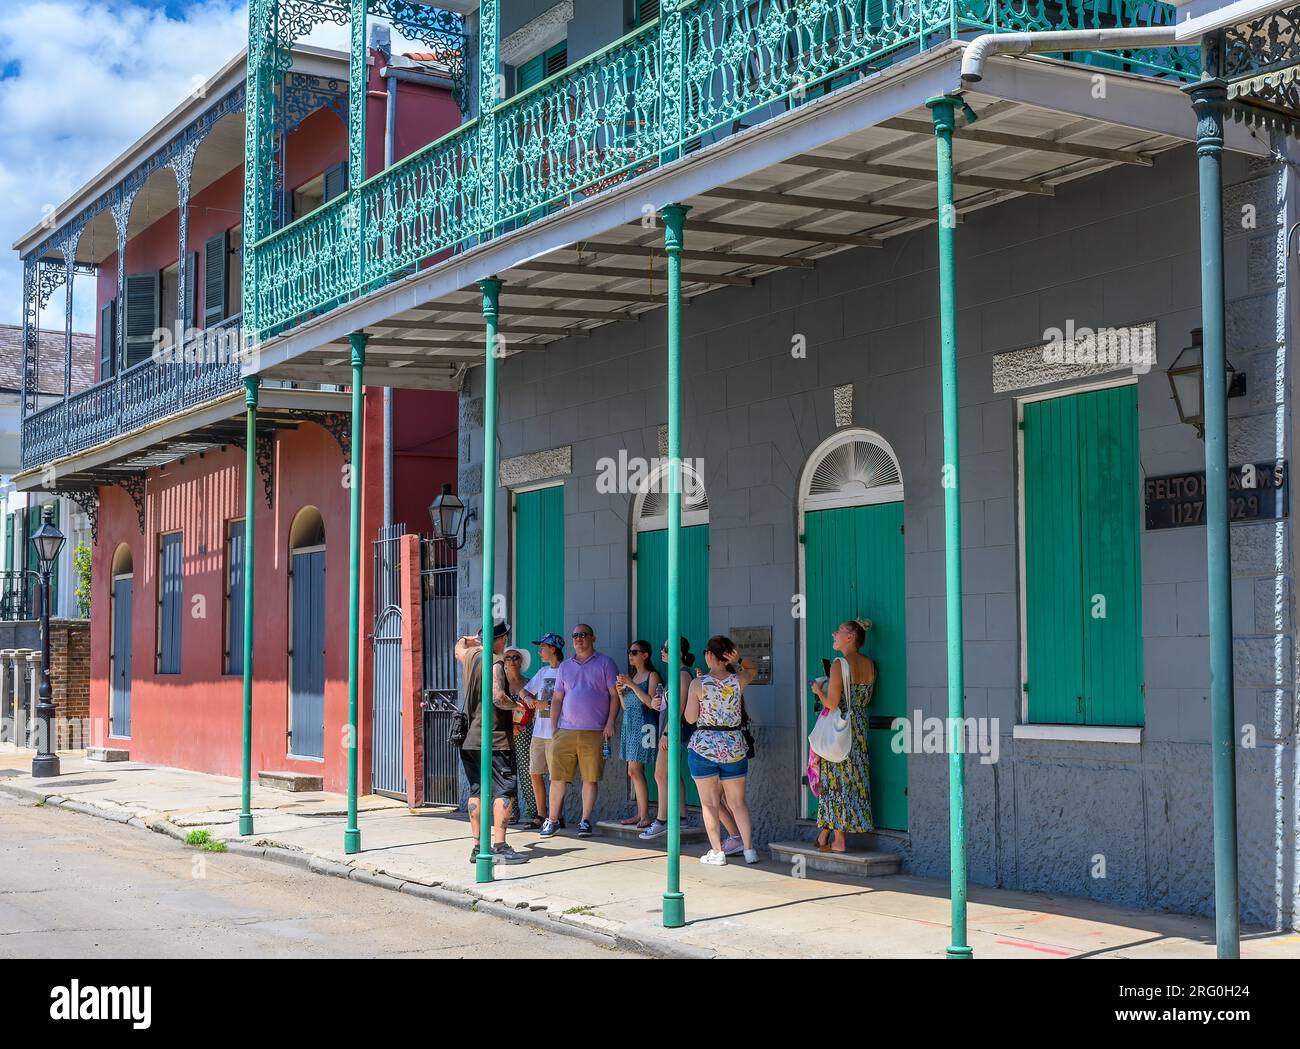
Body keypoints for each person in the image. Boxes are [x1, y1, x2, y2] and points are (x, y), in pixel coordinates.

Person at [454, 622, 525, 865]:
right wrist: (517, 706)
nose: (505, 642)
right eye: (504, 638)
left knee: (477, 791)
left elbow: (458, 647)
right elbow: (497, 697)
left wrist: (471, 638)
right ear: (500, 639)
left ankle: (477, 846)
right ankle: (501, 845)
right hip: (494, 738)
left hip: (470, 738)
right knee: (503, 790)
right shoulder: (495, 661)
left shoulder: (470, 655)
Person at [540, 624, 619, 839]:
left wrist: (611, 722)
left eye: (583, 635)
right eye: (575, 636)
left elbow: (614, 695)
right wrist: (554, 727)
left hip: (595, 731)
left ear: (593, 638)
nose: (579, 639)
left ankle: (585, 821)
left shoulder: (605, 663)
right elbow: (557, 698)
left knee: (590, 778)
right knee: (557, 778)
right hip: (565, 731)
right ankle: (552, 820)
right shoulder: (565, 666)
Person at [685, 635, 759, 865]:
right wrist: (739, 660)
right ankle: (749, 850)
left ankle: (717, 852)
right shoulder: (738, 680)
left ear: (708, 654)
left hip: (704, 746)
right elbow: (753, 668)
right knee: (738, 803)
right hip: (734, 745)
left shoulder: (698, 683)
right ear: (728, 656)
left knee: (709, 804)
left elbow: (690, 718)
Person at [809, 618, 875, 852]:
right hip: (858, 727)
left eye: (839, 632)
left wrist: (818, 691)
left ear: (850, 637)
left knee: (835, 780)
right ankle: (827, 834)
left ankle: (839, 841)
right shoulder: (869, 664)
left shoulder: (839, 664)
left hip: (841, 726)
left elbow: (832, 703)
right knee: (854, 780)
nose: (834, 635)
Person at [520, 633, 564, 831]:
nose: (539, 651)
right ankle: (541, 814)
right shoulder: (543, 671)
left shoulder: (566, 670)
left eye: (542, 648)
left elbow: (568, 699)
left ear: (553, 649)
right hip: (539, 731)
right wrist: (529, 699)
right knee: (535, 773)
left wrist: (545, 703)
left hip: (558, 731)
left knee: (557, 776)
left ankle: (556, 816)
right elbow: (524, 691)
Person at [615, 640, 661, 828]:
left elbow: (651, 703)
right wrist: (620, 692)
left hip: (644, 726)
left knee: (635, 770)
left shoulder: (652, 675)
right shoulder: (632, 676)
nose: (630, 655)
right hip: (630, 724)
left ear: (645, 655)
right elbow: (626, 707)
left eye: (634, 652)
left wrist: (631, 685)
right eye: (629, 651)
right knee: (633, 771)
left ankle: (645, 815)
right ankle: (641, 813)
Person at [503, 646, 535, 824]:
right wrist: (509, 726)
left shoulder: (529, 683)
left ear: (521, 662)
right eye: (508, 658)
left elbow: (534, 708)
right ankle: (511, 813)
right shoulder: (500, 685)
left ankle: (533, 812)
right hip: (505, 734)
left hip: (525, 733)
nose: (512, 661)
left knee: (527, 772)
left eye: (515, 658)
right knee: (508, 773)